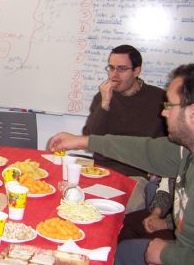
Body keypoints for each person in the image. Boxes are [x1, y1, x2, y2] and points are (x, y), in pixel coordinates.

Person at [49, 63, 194, 265]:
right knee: (113, 231)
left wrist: (166, 255)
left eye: (169, 105)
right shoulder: (185, 150)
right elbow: (143, 150)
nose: (164, 113)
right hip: (177, 244)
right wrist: (83, 141)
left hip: (178, 254)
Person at [82, 44, 167, 211]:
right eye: (111, 68)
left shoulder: (158, 99)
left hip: (135, 174)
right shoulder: (104, 96)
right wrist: (105, 103)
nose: (114, 75)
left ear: (136, 71)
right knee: (74, 204)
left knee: (112, 211)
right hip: (100, 171)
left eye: (121, 69)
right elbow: (89, 138)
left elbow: (169, 144)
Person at [119, 177, 175, 242]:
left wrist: (165, 223)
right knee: (123, 224)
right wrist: (156, 213)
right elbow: (167, 187)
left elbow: (188, 218)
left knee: (144, 244)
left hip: (182, 231)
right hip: (171, 213)